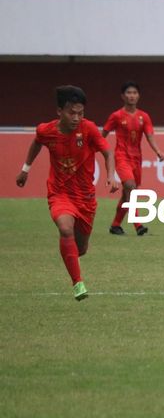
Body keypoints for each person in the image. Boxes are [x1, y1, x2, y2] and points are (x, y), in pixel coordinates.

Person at [16, 85, 119, 301]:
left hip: (85, 199)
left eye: (80, 113)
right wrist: (25, 169)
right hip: (59, 194)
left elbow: (107, 152)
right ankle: (78, 283)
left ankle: (70, 253)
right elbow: (36, 143)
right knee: (65, 227)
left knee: (80, 249)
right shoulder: (46, 131)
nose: (76, 117)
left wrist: (112, 175)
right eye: (71, 113)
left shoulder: (88, 129)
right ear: (59, 111)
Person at [102, 81, 164, 236]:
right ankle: (137, 223)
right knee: (130, 186)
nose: (132, 96)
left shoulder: (144, 116)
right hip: (122, 156)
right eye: (129, 93)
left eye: (135, 93)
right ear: (123, 96)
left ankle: (115, 225)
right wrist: (93, 148)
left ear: (139, 96)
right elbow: (102, 135)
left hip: (137, 159)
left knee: (126, 193)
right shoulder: (116, 116)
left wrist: (158, 151)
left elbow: (150, 136)